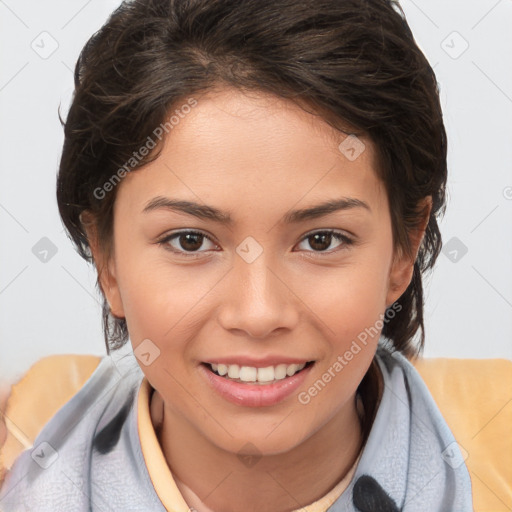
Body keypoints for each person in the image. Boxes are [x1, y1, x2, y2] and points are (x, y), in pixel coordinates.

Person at [0, 0, 473, 510]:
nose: (258, 313)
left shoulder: (496, 463)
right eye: (190, 241)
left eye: (321, 240)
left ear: (404, 249)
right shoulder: (20, 450)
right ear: (107, 261)